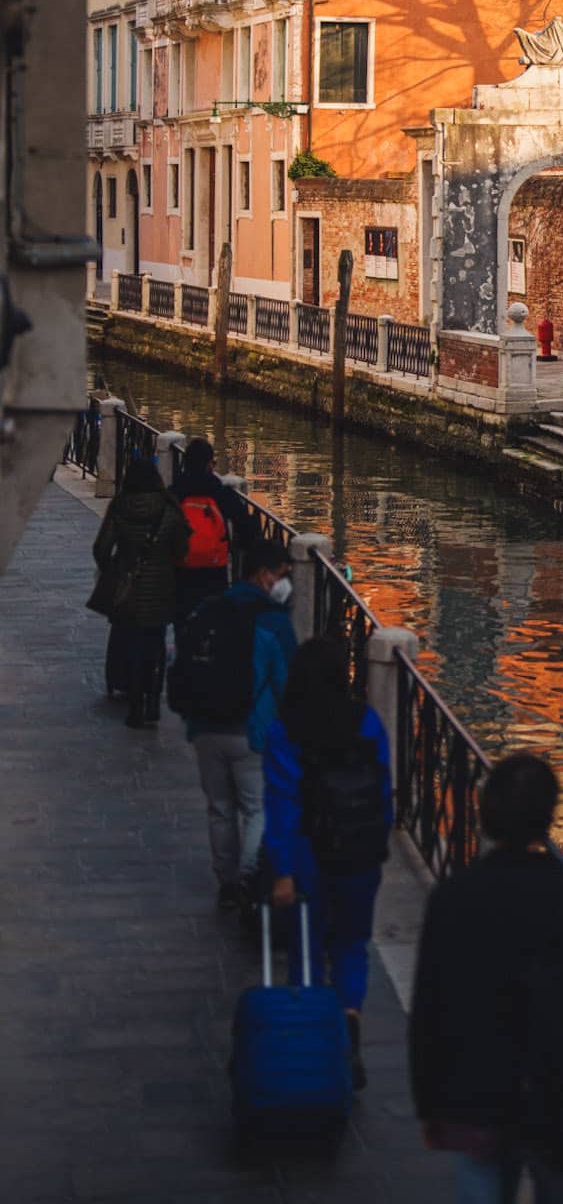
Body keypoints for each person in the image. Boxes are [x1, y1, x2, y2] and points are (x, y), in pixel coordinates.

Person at [409, 752, 563, 1204]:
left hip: (476, 1091)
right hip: (561, 1093)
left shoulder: (454, 898)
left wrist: (429, 1104)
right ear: (547, 817)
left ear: (486, 814)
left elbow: (429, 1007)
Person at [262, 636, 393, 1091]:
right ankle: (349, 1034)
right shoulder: (367, 722)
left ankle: (314, 1050)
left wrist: (281, 870)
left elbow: (282, 805)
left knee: (306, 952)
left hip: (307, 858)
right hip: (360, 855)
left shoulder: (286, 730)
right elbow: (382, 794)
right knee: (351, 946)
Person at [172, 537, 297, 913]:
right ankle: (247, 878)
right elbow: (287, 683)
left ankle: (226, 882)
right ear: (263, 576)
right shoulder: (274, 623)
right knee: (256, 808)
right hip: (250, 732)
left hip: (204, 727)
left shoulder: (209, 610)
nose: (285, 583)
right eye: (282, 575)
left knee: (220, 807)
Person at [92, 456, 190, 729]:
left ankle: (135, 707)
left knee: (134, 644)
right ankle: (152, 704)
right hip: (161, 588)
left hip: (128, 589)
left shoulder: (120, 507)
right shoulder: (169, 509)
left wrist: (115, 570)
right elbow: (182, 550)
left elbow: (101, 548)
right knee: (156, 644)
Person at [172, 435, 261, 647]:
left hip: (180, 572)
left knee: (183, 622)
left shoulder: (175, 492)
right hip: (214, 573)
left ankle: (184, 661)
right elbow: (248, 531)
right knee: (213, 623)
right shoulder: (222, 493)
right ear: (210, 464)